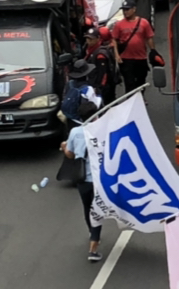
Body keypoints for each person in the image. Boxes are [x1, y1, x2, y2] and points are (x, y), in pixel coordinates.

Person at [62, 98, 104, 262]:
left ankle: (92, 232)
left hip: (82, 180)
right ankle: (93, 247)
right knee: (98, 210)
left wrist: (65, 147)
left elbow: (70, 154)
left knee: (88, 208)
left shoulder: (75, 133)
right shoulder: (101, 131)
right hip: (99, 179)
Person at [108, 1, 155, 94]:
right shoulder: (119, 25)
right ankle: (131, 100)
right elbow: (114, 40)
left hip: (141, 57)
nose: (125, 12)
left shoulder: (144, 23)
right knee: (129, 82)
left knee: (141, 80)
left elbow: (149, 38)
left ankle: (140, 97)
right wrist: (117, 55)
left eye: (127, 9)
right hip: (126, 59)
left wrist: (153, 51)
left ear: (134, 9)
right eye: (124, 10)